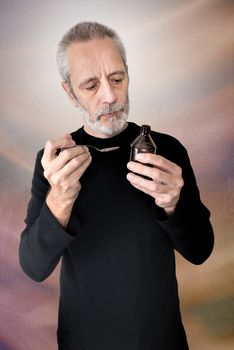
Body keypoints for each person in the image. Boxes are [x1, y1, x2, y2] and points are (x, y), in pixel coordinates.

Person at [19, 21, 214, 350]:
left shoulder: (167, 150)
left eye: (117, 79)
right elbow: (33, 266)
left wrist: (172, 204)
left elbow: (200, 251)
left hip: (161, 341)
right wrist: (60, 200)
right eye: (91, 85)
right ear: (69, 91)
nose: (110, 96)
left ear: (128, 74)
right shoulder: (54, 162)